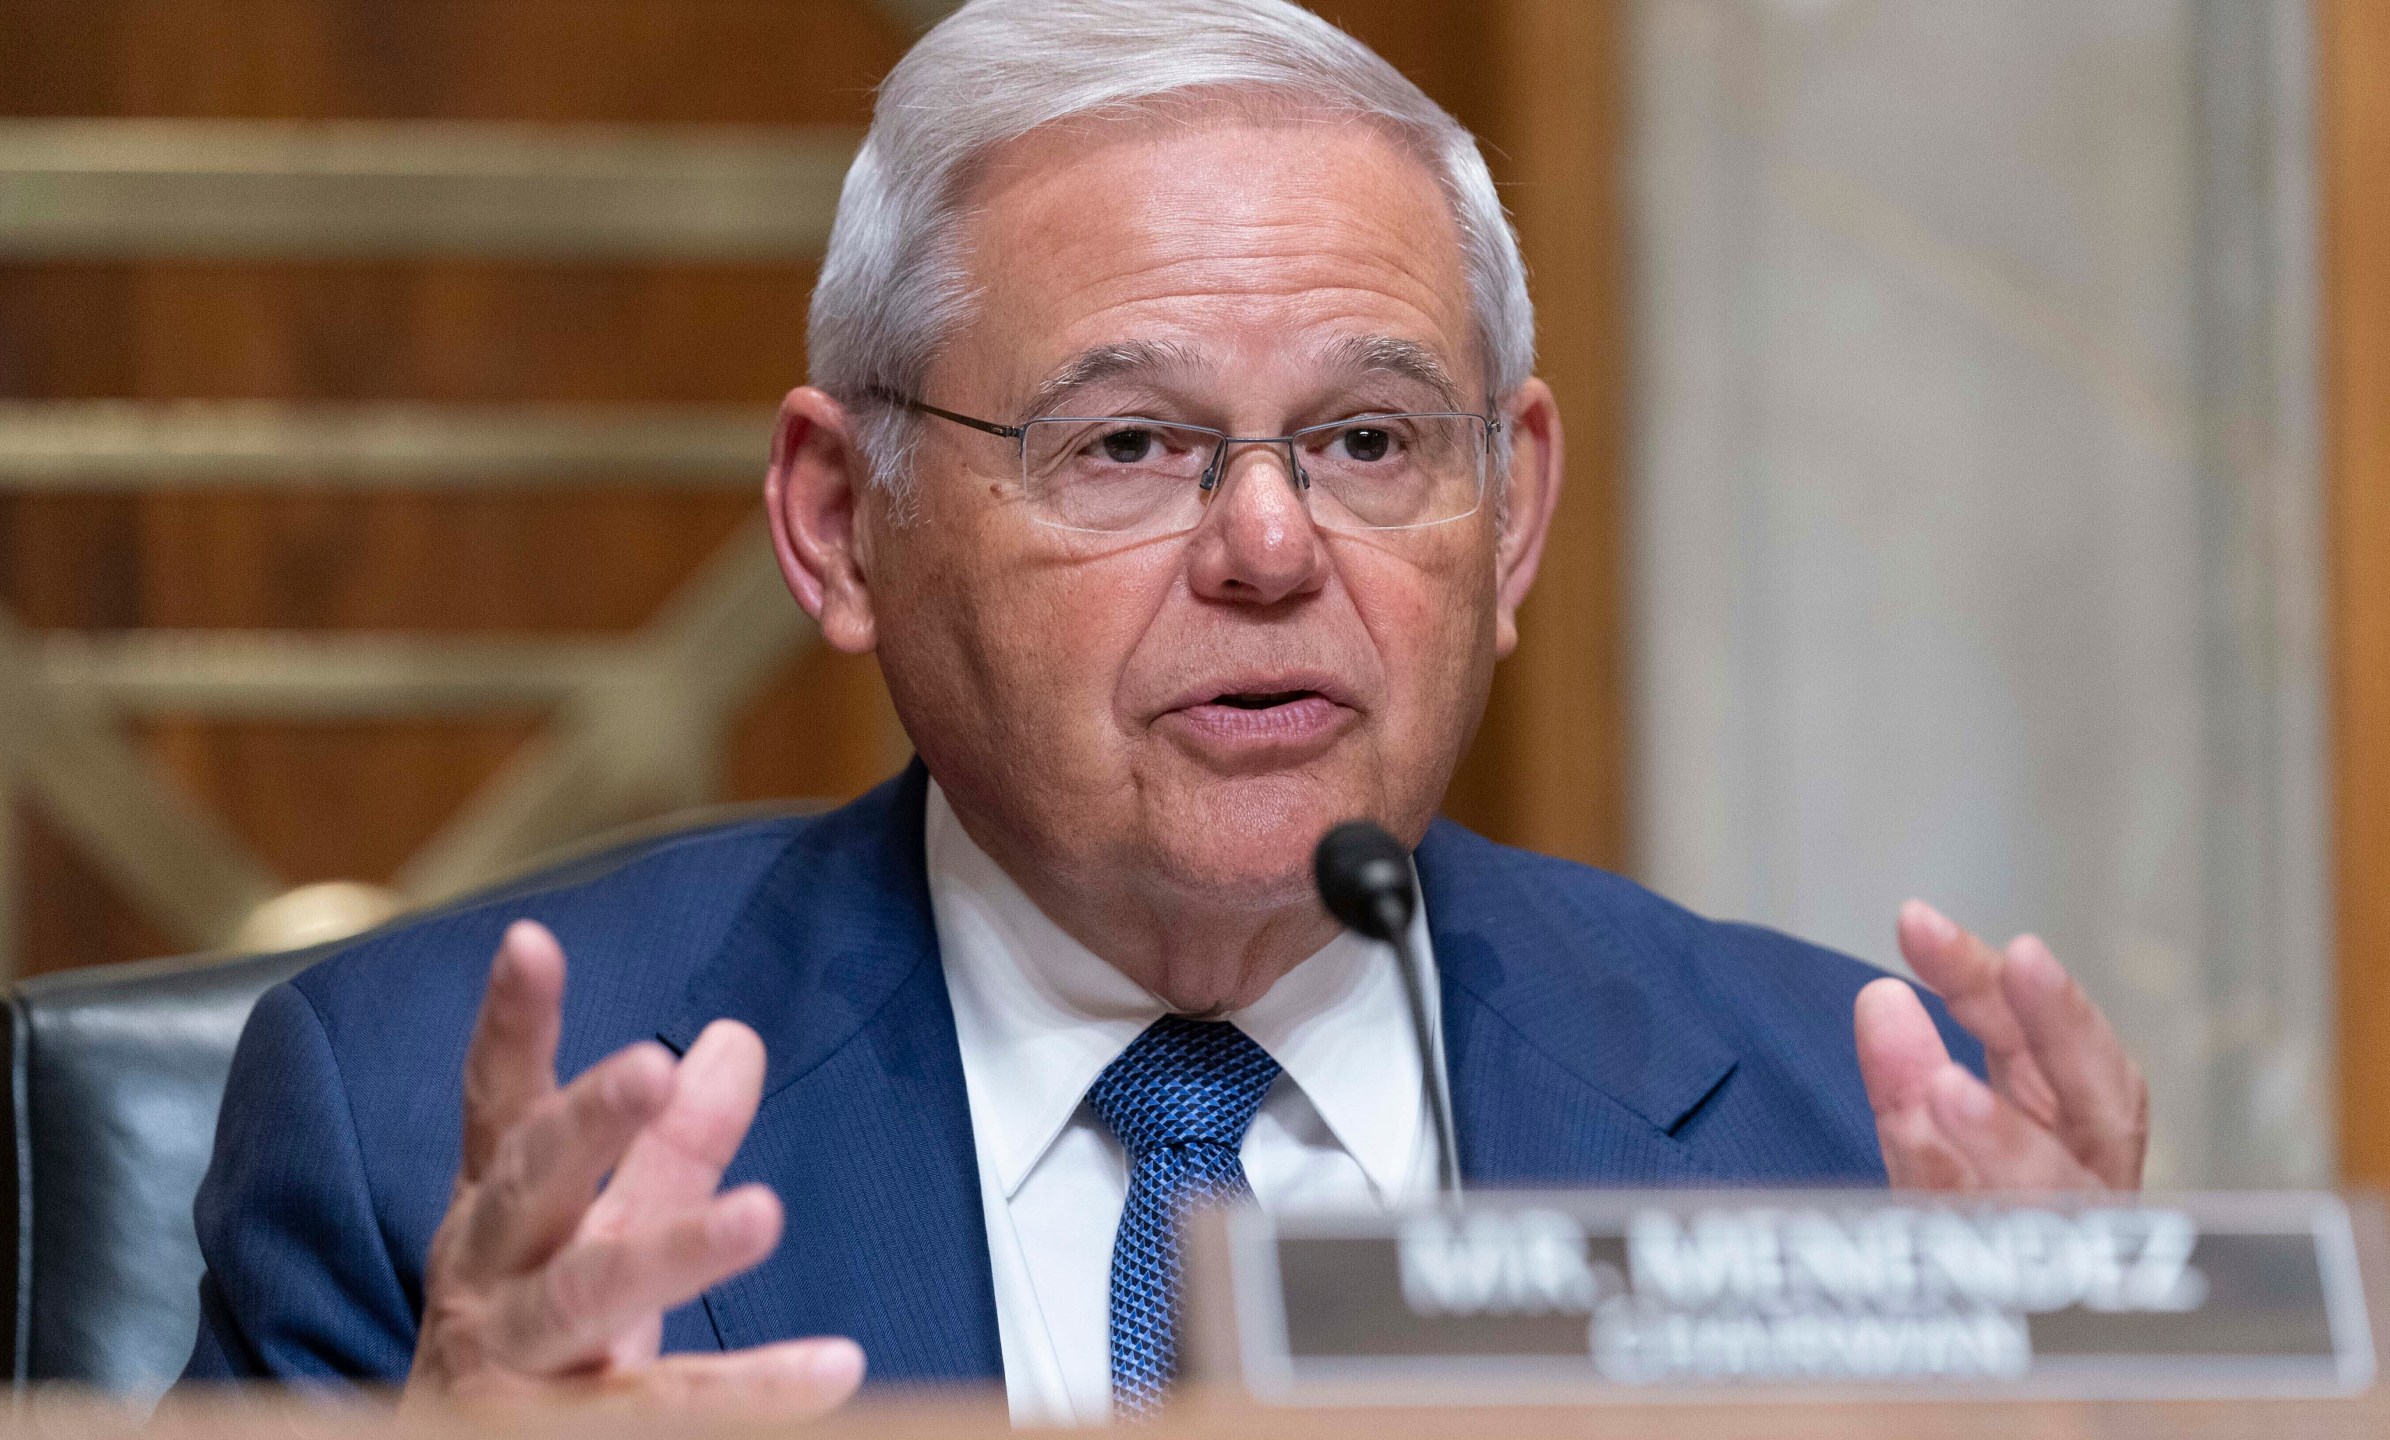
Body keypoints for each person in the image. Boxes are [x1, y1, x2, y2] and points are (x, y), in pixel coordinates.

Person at [181, 0, 2148, 1425]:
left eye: (1371, 439)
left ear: (1513, 509)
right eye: (1125, 445)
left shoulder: (1848, 1150)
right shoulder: (410, 1137)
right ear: (834, 524)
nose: (1271, 546)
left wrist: (2099, 1402)